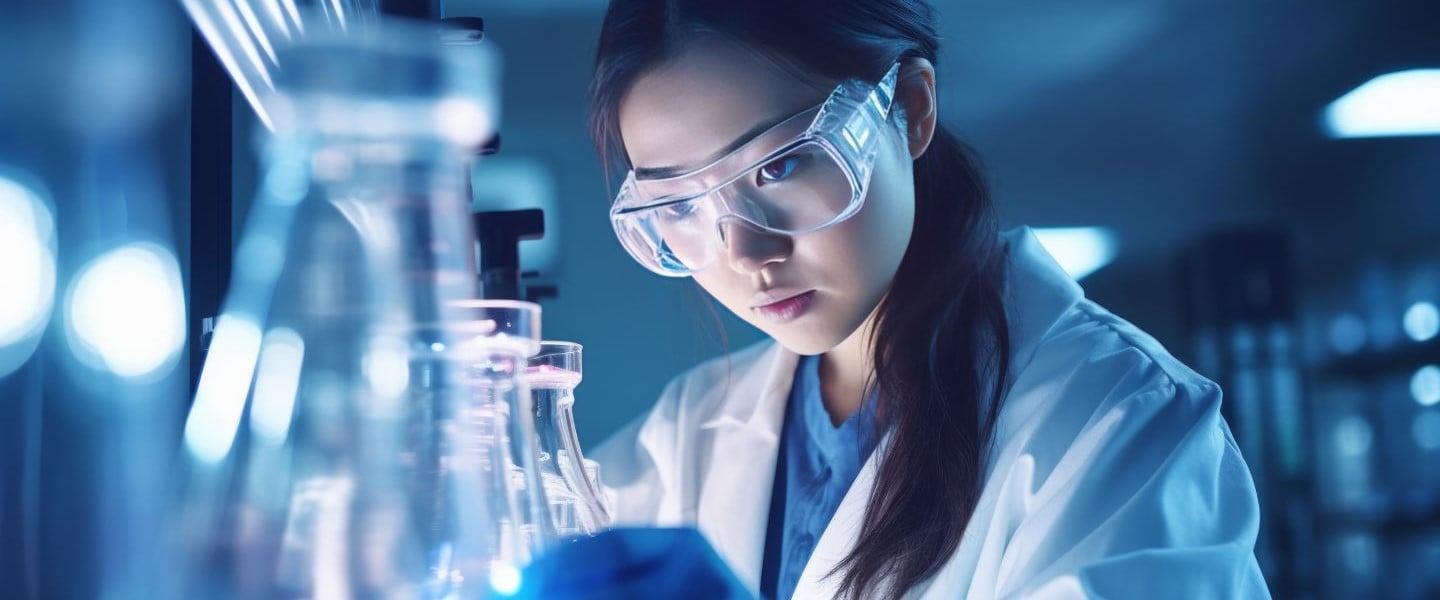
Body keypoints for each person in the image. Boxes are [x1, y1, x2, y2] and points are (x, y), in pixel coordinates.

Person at [584, 0, 1271, 597]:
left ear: (910, 107)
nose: (744, 254)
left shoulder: (1120, 424)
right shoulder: (686, 434)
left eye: (782, 164)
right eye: (678, 206)